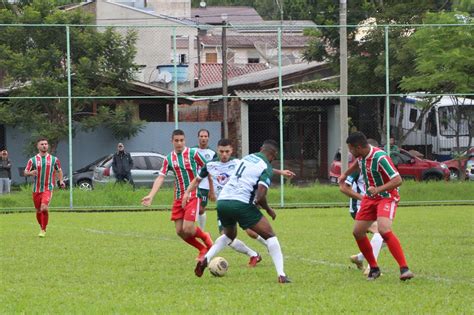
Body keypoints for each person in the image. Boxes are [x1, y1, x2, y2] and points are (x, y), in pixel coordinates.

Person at [183, 138, 295, 267]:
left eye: (227, 151)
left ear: (231, 151)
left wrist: (280, 172)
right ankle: (253, 254)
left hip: (240, 201)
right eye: (221, 151)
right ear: (217, 151)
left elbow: (259, 168)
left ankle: (268, 246)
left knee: (252, 232)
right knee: (227, 237)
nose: (224, 154)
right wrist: (188, 193)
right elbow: (197, 180)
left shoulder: (238, 162)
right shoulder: (210, 165)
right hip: (225, 203)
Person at [339, 132, 414, 281]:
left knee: (384, 230)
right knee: (358, 232)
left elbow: (398, 180)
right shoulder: (361, 156)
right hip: (370, 197)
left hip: (386, 196)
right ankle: (374, 268)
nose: (351, 153)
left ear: (358, 147)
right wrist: (345, 173)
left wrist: (378, 189)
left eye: (351, 150)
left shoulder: (380, 158)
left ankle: (404, 269)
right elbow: (357, 164)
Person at [141, 129, 213, 260]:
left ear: (185, 141)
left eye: (181, 140)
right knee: (180, 231)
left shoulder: (193, 153)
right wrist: (151, 195)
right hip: (178, 198)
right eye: (176, 141)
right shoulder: (169, 158)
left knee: (188, 228)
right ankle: (202, 248)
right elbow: (160, 177)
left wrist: (212, 189)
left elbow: (209, 168)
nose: (179, 143)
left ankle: (205, 237)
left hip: (193, 195)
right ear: (172, 141)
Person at [339, 168, 384, 276]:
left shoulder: (378, 167)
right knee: (380, 232)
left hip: (373, 207)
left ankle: (359, 258)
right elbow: (344, 188)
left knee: (387, 237)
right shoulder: (358, 167)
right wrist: (363, 199)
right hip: (359, 208)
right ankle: (371, 268)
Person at [24, 138, 65, 237]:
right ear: (38, 146)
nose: (44, 146)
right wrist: (30, 172)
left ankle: (43, 229)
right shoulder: (32, 160)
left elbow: (59, 170)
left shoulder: (54, 159)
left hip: (48, 188)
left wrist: (61, 180)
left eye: (46, 144)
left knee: (44, 208)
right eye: (42, 144)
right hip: (36, 189)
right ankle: (41, 226)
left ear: (48, 146)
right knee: (38, 210)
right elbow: (25, 172)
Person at [193, 129, 216, 230]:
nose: (203, 138)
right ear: (198, 137)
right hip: (193, 183)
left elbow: (212, 172)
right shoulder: (192, 151)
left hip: (205, 185)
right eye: (201, 136)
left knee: (201, 209)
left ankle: (201, 230)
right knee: (192, 207)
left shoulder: (212, 153)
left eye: (205, 136)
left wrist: (212, 189)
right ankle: (191, 228)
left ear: (208, 138)